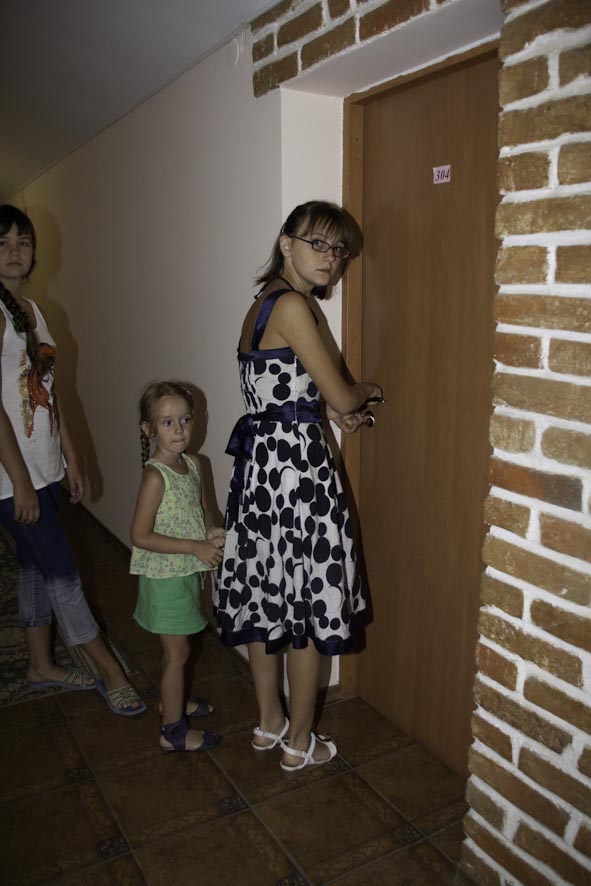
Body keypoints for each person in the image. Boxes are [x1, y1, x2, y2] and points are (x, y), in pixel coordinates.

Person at [215, 200, 383, 771]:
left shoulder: (266, 302)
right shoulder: (292, 305)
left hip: (263, 471)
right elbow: (339, 391)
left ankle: (269, 723)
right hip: (299, 476)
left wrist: (333, 411)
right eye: (318, 243)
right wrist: (364, 392)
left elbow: (285, 389)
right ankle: (300, 742)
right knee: (309, 605)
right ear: (286, 243)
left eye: (339, 249)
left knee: (267, 598)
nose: (330, 257)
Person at [0, 203, 145, 715]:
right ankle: (109, 670)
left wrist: (71, 456)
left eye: (22, 242)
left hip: (43, 464)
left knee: (34, 566)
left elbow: (48, 390)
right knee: (62, 571)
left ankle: (40, 665)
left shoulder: (32, 310)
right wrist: (20, 480)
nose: (14, 251)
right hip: (10, 475)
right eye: (2, 243)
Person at [130, 381, 225, 752]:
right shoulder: (155, 476)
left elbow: (203, 508)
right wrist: (194, 547)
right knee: (178, 654)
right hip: (165, 578)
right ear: (149, 429)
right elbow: (140, 535)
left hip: (186, 572)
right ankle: (173, 731)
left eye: (185, 420)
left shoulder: (194, 464)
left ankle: (173, 701)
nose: (180, 429)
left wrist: (211, 531)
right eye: (167, 422)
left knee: (178, 650)